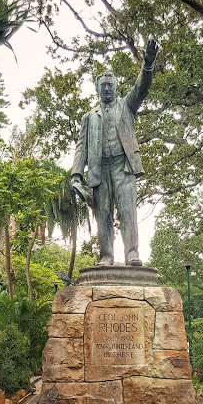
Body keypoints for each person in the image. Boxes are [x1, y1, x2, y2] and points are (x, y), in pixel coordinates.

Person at [71, 39, 158, 267]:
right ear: (98, 88)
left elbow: (142, 87)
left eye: (111, 84)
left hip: (123, 166)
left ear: (116, 87)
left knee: (127, 211)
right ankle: (106, 256)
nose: (107, 88)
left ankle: (132, 254)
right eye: (103, 85)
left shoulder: (127, 105)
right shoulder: (89, 117)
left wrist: (147, 64)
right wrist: (76, 176)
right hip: (100, 170)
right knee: (104, 216)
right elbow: (81, 147)